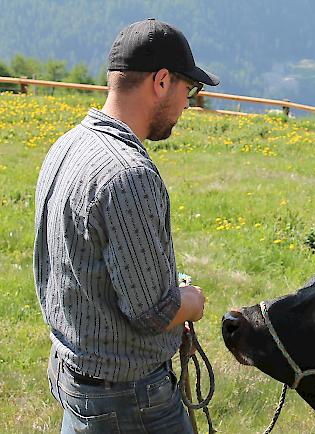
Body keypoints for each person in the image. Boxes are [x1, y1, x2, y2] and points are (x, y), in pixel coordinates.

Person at [33, 18, 219, 433]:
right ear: (162, 81)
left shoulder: (66, 146)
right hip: (131, 403)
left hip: (78, 384)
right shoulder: (127, 174)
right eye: (188, 91)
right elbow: (154, 313)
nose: (187, 105)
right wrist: (190, 301)